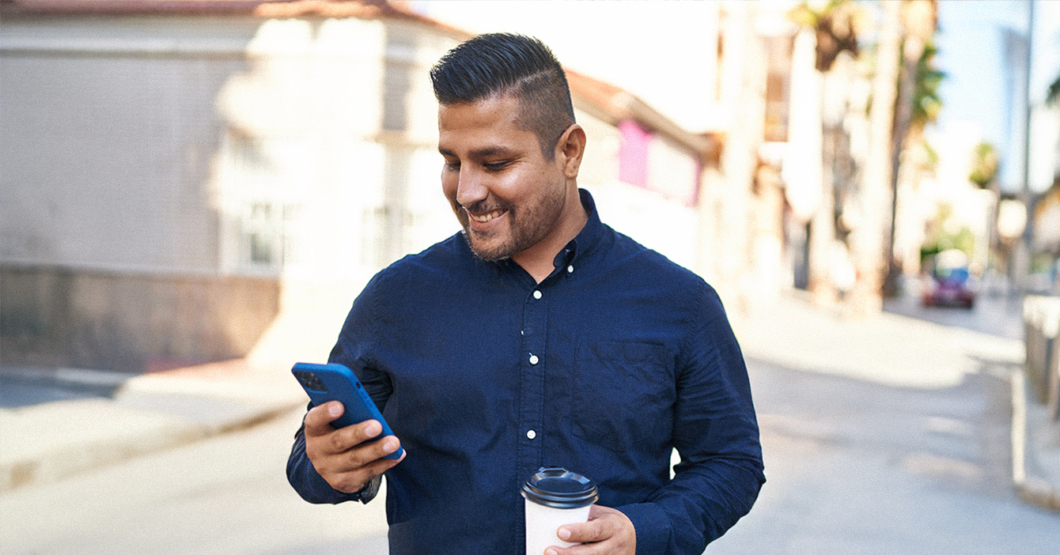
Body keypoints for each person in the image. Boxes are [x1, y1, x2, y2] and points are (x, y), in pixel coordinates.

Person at [287, 32, 764, 555]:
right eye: (452, 161)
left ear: (569, 152)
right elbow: (313, 462)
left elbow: (731, 463)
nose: (466, 191)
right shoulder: (395, 298)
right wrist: (328, 465)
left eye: (494, 164)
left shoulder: (680, 304)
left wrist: (643, 532)